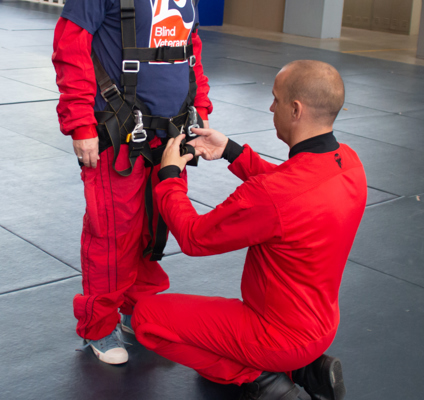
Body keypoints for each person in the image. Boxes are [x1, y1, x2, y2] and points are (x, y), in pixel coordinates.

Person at [131, 60, 367, 400]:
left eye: (276, 99)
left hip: (275, 336)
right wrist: (230, 151)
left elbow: (195, 237)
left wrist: (168, 178)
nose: (271, 107)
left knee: (147, 319)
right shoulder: (349, 163)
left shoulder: (274, 196)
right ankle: (304, 368)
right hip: (322, 326)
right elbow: (294, 186)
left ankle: (264, 378)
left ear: (296, 109)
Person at [52, 0, 212, 365]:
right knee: (112, 234)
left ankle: (139, 312)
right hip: (119, 131)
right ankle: (99, 325)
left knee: (152, 231)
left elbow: (191, 45)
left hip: (172, 130)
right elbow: (71, 46)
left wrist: (200, 109)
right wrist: (80, 122)